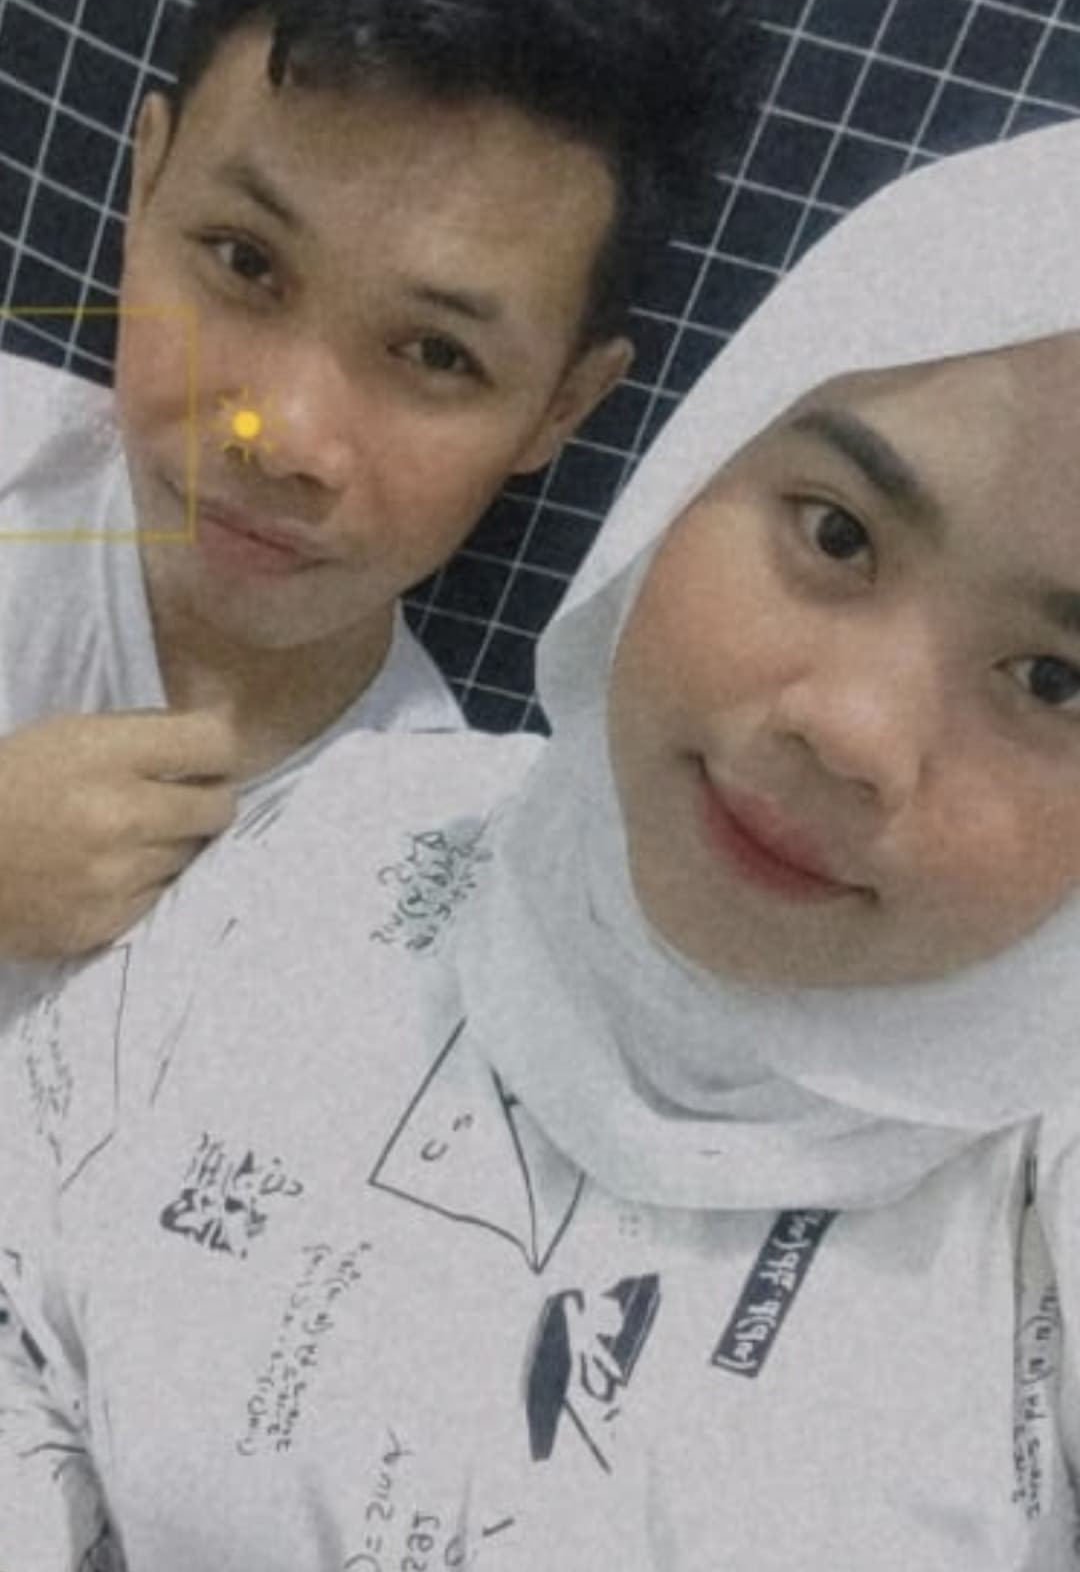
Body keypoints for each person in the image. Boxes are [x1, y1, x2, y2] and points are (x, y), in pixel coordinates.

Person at [7, 115, 1080, 1570]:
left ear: (565, 407)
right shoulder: (349, 838)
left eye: (1054, 681)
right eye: (834, 534)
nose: (852, 731)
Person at [0, 0, 757, 998]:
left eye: (437, 355)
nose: (283, 434)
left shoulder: (446, 889)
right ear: (144, 187)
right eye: (244, 261)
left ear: (561, 407)